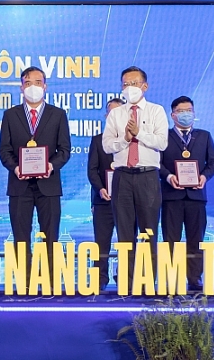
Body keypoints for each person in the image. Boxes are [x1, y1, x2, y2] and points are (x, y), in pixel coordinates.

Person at [0, 66, 71, 284]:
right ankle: (24, 282)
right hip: (19, 184)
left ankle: (50, 282)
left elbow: (65, 150)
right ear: (21, 88)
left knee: (50, 236)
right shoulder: (10, 115)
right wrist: (15, 167)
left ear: (45, 86)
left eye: (38, 83)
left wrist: (50, 166)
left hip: (49, 184)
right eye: (28, 83)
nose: (33, 87)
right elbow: (4, 150)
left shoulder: (58, 114)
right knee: (21, 237)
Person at [102, 67, 168, 290]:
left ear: (144, 86)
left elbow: (162, 143)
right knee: (124, 233)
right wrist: (125, 139)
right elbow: (107, 145)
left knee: (148, 232)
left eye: (134, 83)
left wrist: (139, 133)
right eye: (125, 84)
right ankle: (127, 284)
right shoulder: (116, 114)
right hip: (122, 176)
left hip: (147, 176)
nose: (129, 88)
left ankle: (147, 283)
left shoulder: (156, 111)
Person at [159, 96, 214, 292]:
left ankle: (195, 278)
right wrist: (169, 177)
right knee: (171, 240)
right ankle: (171, 278)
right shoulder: (163, 136)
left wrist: (204, 177)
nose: (186, 114)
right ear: (173, 115)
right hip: (171, 196)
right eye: (181, 111)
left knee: (196, 239)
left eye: (189, 111)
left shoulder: (204, 136)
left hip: (196, 196)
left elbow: (213, 163)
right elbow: (156, 163)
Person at [87, 97, 123, 291]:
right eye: (111, 112)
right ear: (106, 116)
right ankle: (100, 279)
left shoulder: (133, 141)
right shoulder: (97, 140)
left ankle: (124, 277)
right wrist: (100, 188)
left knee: (126, 242)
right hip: (103, 201)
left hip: (126, 202)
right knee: (101, 243)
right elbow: (92, 170)